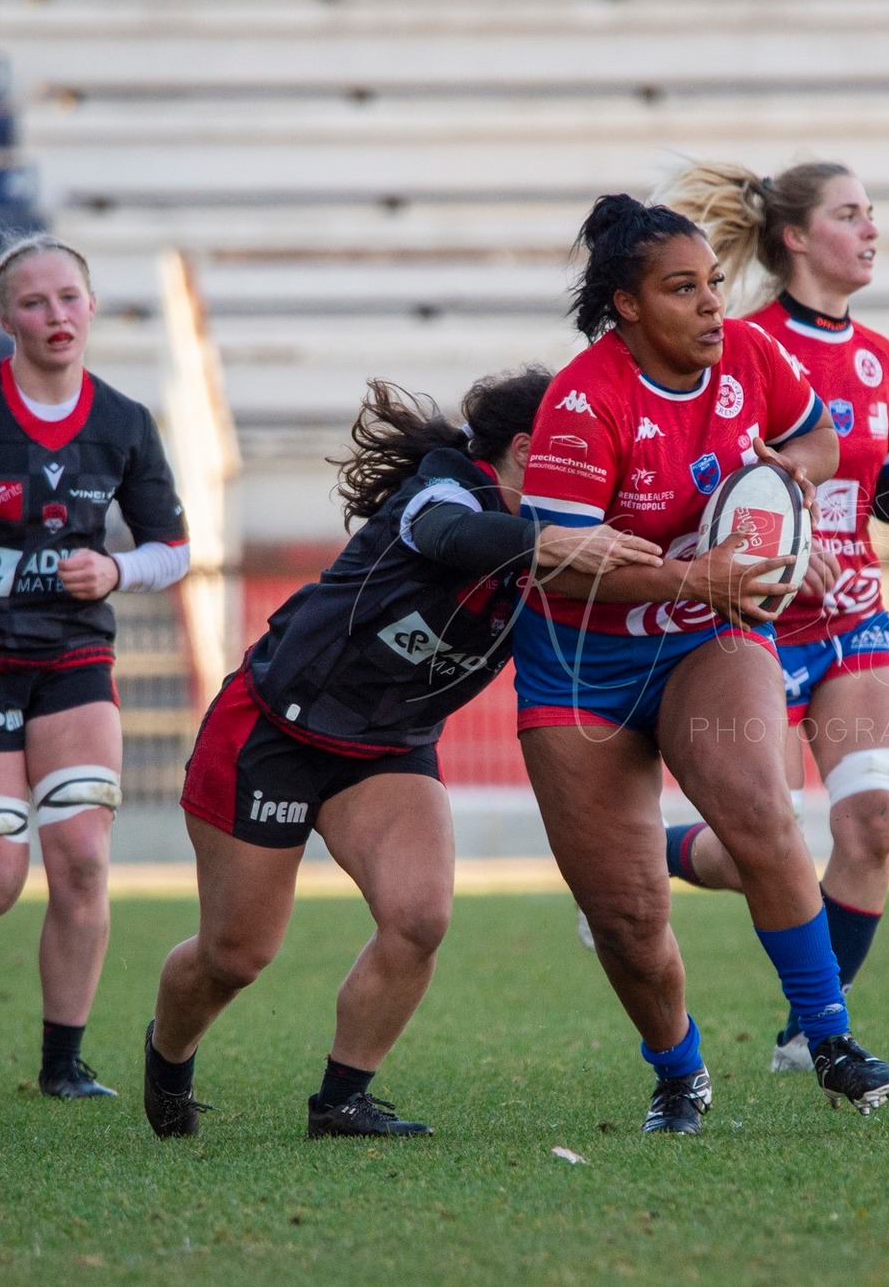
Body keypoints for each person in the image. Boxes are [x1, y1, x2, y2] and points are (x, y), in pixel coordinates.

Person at [146, 371, 661, 1139]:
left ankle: (342, 1100)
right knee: (236, 953)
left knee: (419, 917)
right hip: (275, 729)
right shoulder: (445, 489)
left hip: (387, 748)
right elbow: (449, 535)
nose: (598, 471)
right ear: (527, 450)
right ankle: (168, 1052)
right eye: (582, 452)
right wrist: (547, 542)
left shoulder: (573, 528)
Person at [515, 193, 889, 1133]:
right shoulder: (583, 399)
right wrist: (697, 568)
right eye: (680, 289)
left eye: (714, 285)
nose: (709, 306)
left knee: (764, 807)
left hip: (706, 632)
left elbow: (818, 435)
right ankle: (678, 1070)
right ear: (627, 307)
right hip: (583, 665)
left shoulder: (751, 357)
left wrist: (783, 490)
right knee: (629, 918)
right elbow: (559, 559)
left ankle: (827, 1036)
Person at [646, 159, 889, 1073]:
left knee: (874, 827)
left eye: (871, 213)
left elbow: (879, 475)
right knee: (761, 835)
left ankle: (809, 1033)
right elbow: (725, 482)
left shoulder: (879, 354)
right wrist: (781, 542)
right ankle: (640, 853)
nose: (871, 230)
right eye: (850, 214)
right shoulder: (741, 343)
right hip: (761, 615)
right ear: (796, 238)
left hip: (853, 604)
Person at [0, 234, 188, 1099]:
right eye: (34, 302)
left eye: (69, 297)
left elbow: (171, 548)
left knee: (81, 855)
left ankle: (63, 1062)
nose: (55, 315)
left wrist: (115, 570)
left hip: (71, 654)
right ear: (4, 318)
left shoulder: (124, 421)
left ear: (92, 305)